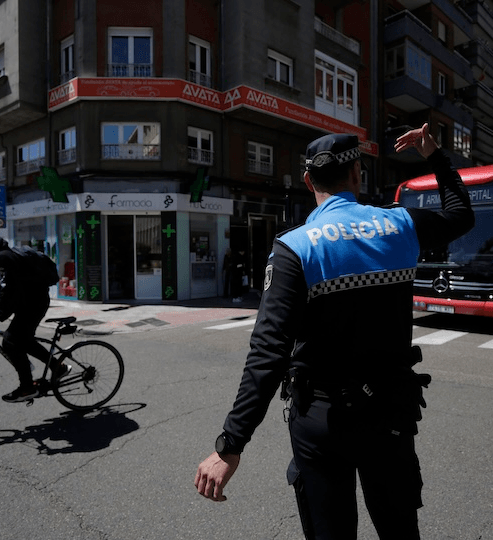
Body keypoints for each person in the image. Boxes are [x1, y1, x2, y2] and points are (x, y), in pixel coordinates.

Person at [194, 124, 474, 539]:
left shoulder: (295, 247)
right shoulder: (401, 225)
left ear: (309, 181)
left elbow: (268, 354)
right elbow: (460, 214)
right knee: (400, 531)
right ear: (358, 174)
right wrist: (433, 154)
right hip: (389, 414)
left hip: (323, 421)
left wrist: (230, 446)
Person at [0, 223, 70, 403]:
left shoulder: (3, 258)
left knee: (11, 341)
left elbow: (9, 292)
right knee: (24, 340)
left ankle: (27, 388)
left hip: (34, 303)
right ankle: (59, 368)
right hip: (23, 303)